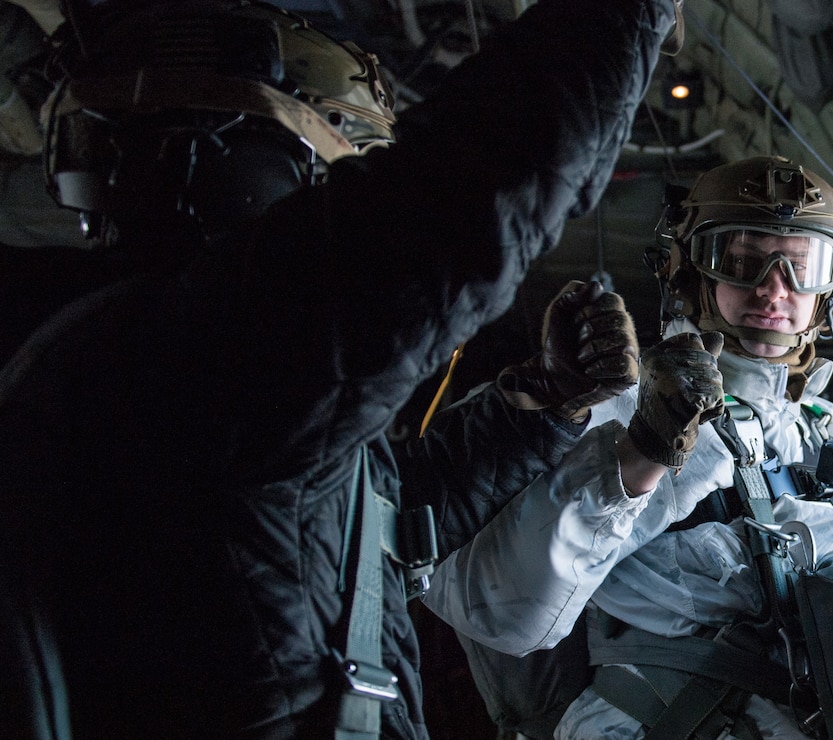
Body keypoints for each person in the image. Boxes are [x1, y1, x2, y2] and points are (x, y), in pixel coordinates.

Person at [0, 1, 682, 738]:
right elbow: (486, 181)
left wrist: (544, 402)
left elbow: (366, 521)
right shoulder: (224, 351)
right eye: (339, 178)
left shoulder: (115, 347)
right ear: (259, 164)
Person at [420, 155, 833, 738]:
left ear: (831, 290)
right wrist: (645, 455)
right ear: (690, 272)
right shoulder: (611, 407)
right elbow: (502, 612)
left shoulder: (825, 429)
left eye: (803, 268)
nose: (774, 289)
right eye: (742, 260)